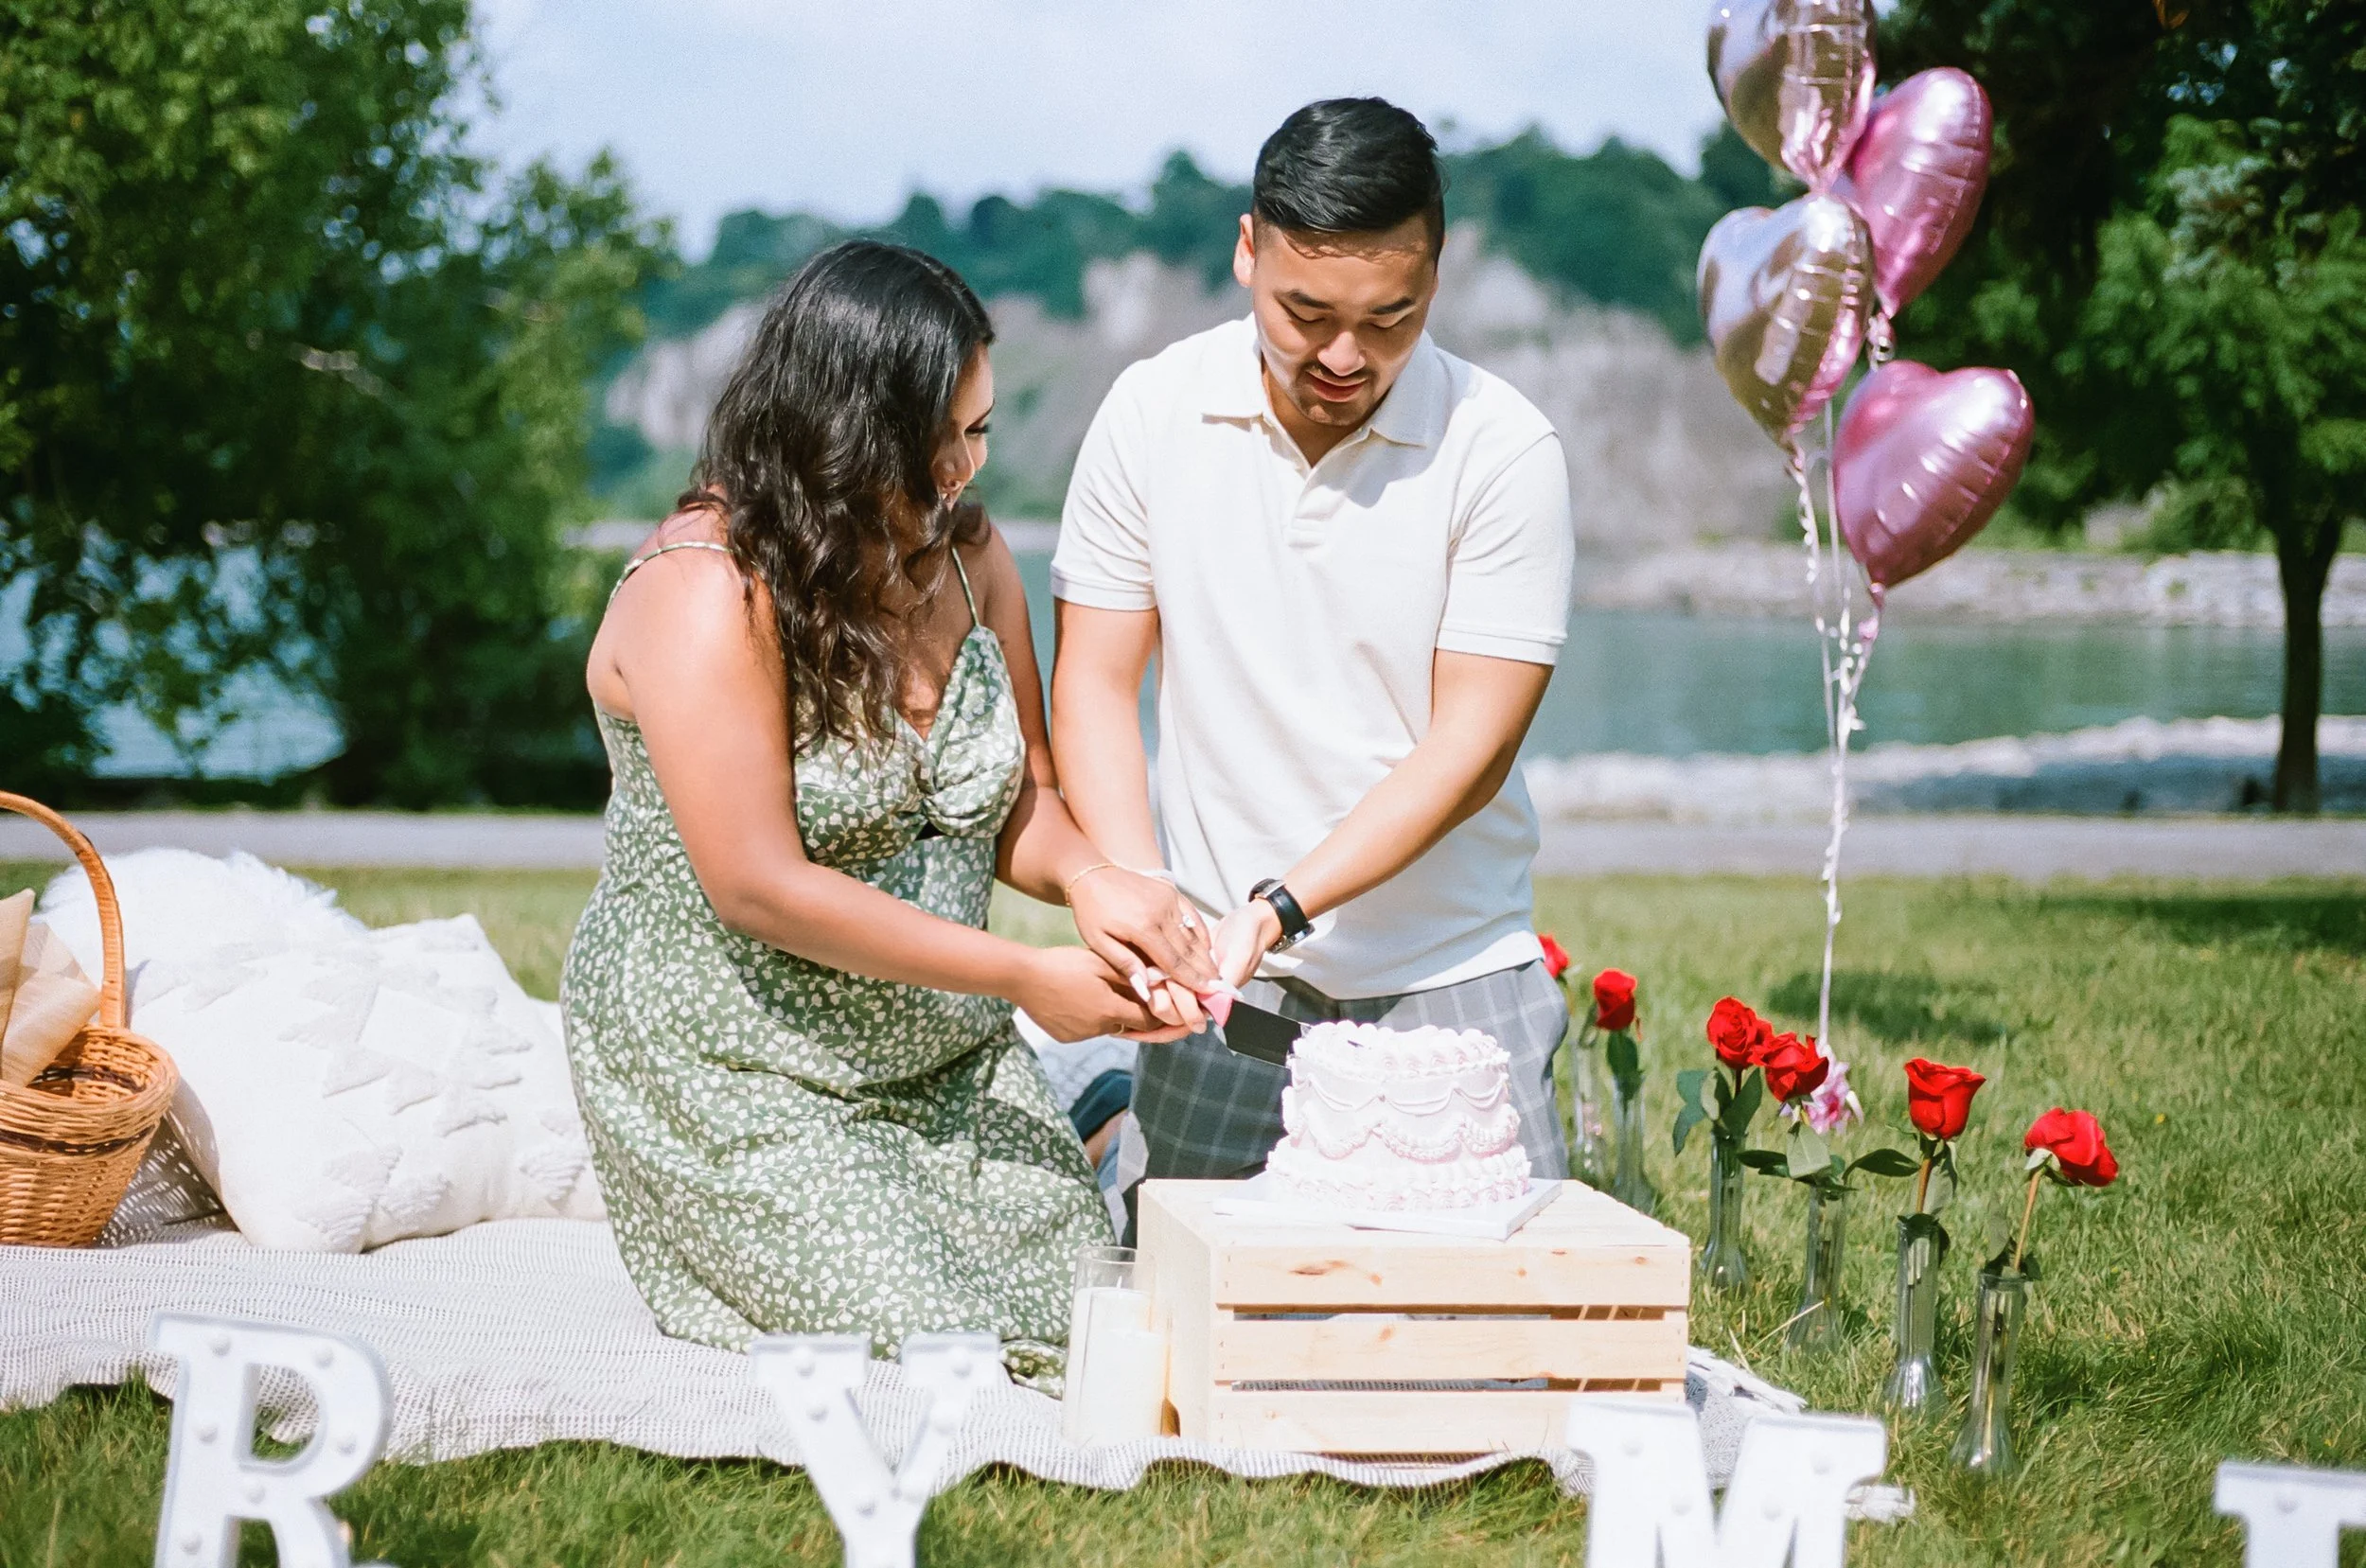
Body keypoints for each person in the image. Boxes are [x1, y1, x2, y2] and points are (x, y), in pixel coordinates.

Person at [561, 240, 1214, 1385]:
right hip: (740, 1067)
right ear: (843, 424)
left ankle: (1086, 1115)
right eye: (935, 438)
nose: (962, 468)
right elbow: (756, 882)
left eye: (981, 430)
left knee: (1100, 1325)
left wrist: (1097, 881)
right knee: (936, 1347)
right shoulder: (708, 589)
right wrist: (1024, 977)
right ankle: (1088, 1119)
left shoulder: (971, 562)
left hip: (937, 1052)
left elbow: (1021, 797)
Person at [1050, 98, 1578, 1211]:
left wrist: (1281, 905)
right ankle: (1102, 1113)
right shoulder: (1151, 412)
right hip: (1219, 978)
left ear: (1436, 276)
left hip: (1451, 965)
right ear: (1248, 251)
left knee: (1503, 1336)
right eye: (1306, 313)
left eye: (1390, 318)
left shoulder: (1502, 448)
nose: (1345, 355)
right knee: (1175, 1314)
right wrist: (1142, 894)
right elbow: (1095, 684)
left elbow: (1469, 750)